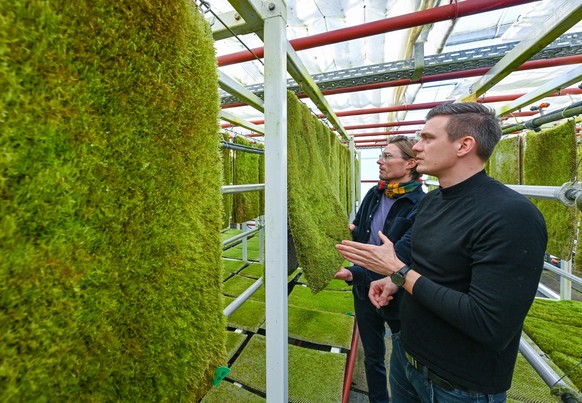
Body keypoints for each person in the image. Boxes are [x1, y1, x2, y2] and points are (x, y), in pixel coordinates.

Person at [336, 102, 547, 402]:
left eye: (427, 138)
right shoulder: (432, 202)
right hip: (406, 361)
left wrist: (399, 272)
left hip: (458, 386)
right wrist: (393, 282)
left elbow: (490, 324)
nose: (417, 148)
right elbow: (426, 269)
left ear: (464, 145)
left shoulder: (511, 215)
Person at [335, 135, 424, 403]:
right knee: (372, 356)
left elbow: (404, 257)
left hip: (397, 291)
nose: (379, 160)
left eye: (387, 156)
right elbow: (360, 231)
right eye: (381, 155)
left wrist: (355, 273)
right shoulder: (374, 194)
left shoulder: (421, 204)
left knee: (406, 357)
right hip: (364, 288)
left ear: (410, 164)